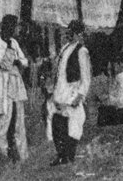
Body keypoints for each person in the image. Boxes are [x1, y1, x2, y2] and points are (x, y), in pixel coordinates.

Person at [46, 19, 92, 166]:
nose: (70, 34)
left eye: (74, 32)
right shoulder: (65, 48)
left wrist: (80, 95)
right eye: (69, 31)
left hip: (72, 91)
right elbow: (59, 71)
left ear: (79, 34)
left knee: (73, 125)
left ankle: (68, 155)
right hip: (61, 90)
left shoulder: (82, 50)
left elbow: (86, 76)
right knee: (57, 122)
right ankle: (61, 154)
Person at [0, 14, 30, 163]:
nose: (14, 29)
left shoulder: (14, 42)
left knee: (16, 117)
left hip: (14, 83)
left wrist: (17, 60)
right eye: (12, 26)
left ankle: (14, 150)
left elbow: (24, 61)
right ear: (6, 27)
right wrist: (14, 57)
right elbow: (4, 64)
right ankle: (0, 151)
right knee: (3, 117)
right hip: (2, 84)